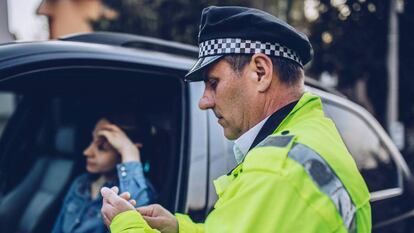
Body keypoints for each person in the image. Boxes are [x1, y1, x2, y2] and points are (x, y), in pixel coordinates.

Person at [100, 6, 372, 233]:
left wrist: (127, 225)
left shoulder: (278, 170)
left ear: (261, 72)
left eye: (213, 83)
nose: (203, 101)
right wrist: (180, 228)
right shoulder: (311, 138)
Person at [52, 113, 154, 233]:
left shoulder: (140, 191)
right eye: (91, 141)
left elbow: (137, 226)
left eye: (102, 148)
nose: (87, 152)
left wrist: (129, 151)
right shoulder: (80, 183)